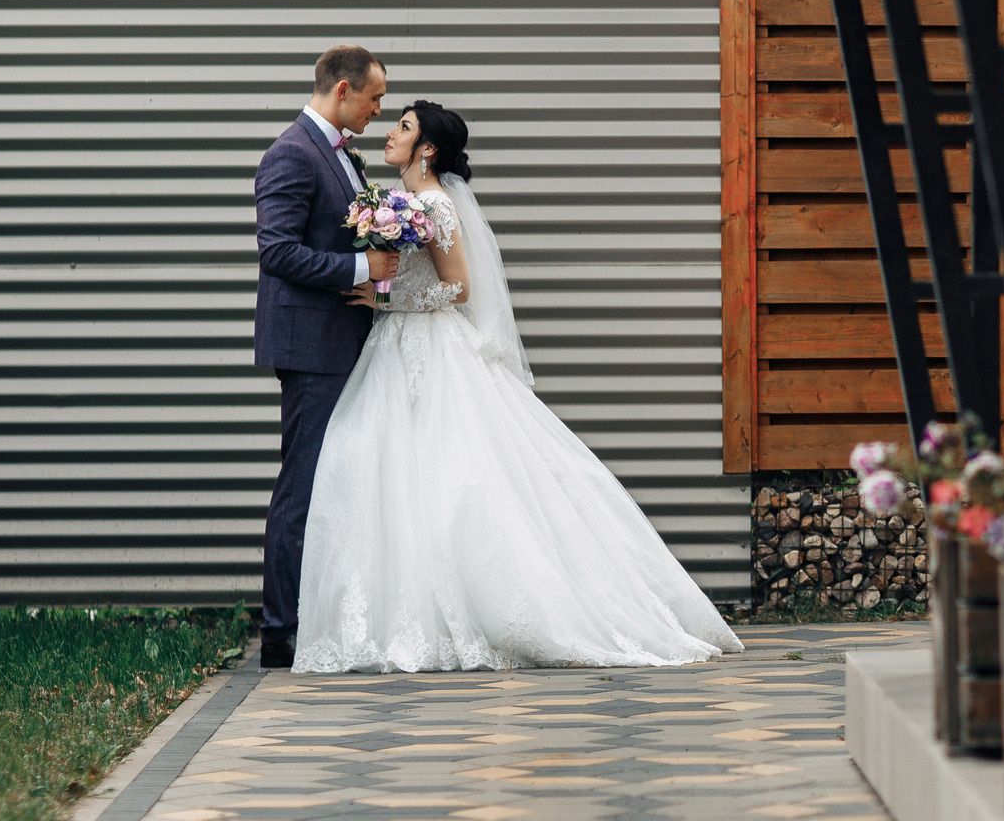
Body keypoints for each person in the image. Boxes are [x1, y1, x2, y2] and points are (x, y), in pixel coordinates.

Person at [291, 101, 742, 672]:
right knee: (394, 474)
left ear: (427, 148)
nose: (390, 132)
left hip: (430, 346)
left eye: (403, 127)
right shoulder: (404, 201)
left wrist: (385, 298)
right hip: (395, 348)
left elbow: (457, 286)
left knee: (449, 475)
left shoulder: (432, 204)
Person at [254, 44, 398, 671]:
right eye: (374, 98)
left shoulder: (342, 155)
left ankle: (322, 618)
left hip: (345, 341)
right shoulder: (291, 153)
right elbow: (276, 251)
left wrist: (379, 280)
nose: (378, 110)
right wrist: (363, 264)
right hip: (313, 348)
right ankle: (280, 633)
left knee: (338, 485)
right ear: (343, 90)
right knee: (304, 488)